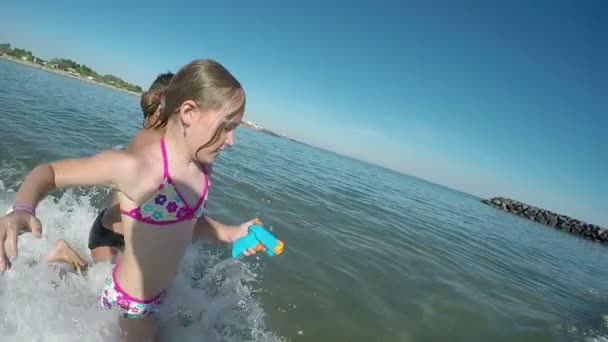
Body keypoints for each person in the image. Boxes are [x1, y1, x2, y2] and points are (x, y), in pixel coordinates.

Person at [0, 59, 262, 341]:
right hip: (132, 307)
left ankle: (70, 260)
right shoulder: (138, 168)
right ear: (188, 112)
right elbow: (49, 172)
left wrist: (231, 232)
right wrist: (23, 209)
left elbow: (184, 222)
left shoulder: (200, 167)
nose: (232, 140)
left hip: (158, 295)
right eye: (226, 126)